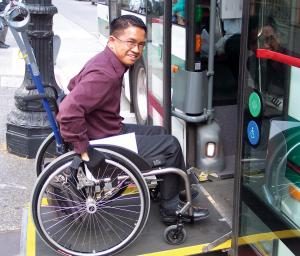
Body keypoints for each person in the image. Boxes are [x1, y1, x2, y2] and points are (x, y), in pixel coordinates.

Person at [57, 15, 209, 223]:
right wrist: (84, 150)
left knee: (161, 132)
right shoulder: (104, 74)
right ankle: (171, 209)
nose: (136, 50)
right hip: (103, 140)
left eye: (141, 44)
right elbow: (67, 111)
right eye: (130, 42)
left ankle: (178, 188)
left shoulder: (104, 61)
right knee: (171, 145)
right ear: (112, 41)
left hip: (105, 129)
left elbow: (73, 85)